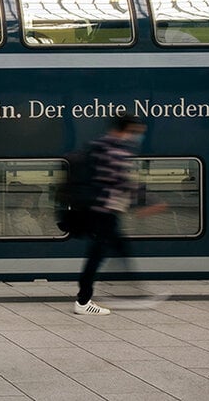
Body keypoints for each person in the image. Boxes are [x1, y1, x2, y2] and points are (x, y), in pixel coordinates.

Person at [73, 112, 146, 316]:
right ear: (128, 129)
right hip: (105, 211)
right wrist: (146, 202)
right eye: (137, 132)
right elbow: (124, 182)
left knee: (117, 247)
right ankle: (84, 301)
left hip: (95, 209)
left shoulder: (99, 145)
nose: (137, 137)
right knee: (97, 255)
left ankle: (134, 290)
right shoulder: (118, 151)